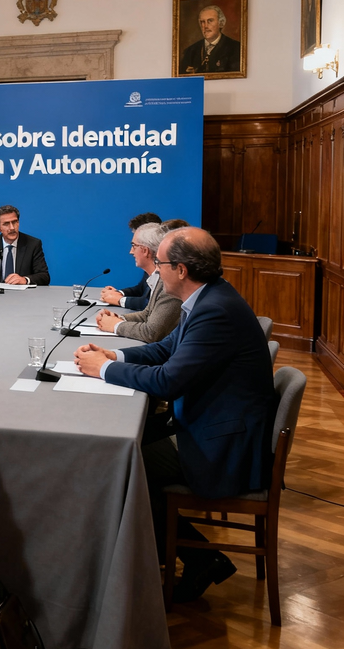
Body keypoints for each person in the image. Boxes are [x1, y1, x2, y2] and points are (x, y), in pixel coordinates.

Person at [74, 227, 277, 603]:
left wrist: (100, 370)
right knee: (128, 447)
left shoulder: (215, 310)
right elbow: (166, 350)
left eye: (162, 264)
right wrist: (111, 356)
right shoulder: (207, 298)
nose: (156, 272)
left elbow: (167, 381)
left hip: (222, 445)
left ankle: (192, 560)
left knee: (120, 464)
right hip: (211, 422)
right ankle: (172, 555)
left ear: (181, 270)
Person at [96, 223, 181, 343]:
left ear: (145, 250)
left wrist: (116, 325)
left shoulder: (170, 282)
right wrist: (118, 318)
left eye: (133, 246)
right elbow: (147, 314)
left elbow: (151, 333)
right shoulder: (158, 277)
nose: (131, 251)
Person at [0, 205, 49, 286]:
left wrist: (24, 280)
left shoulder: (33, 244)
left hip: (24, 296)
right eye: (6, 224)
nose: (12, 228)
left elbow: (44, 276)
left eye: (14, 222)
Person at [100, 211, 161, 309]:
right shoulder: (152, 270)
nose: (131, 251)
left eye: (135, 245)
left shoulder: (165, 273)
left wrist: (119, 300)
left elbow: (149, 305)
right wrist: (118, 294)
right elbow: (141, 289)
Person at [179, 4, 241, 75]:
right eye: (202, 22)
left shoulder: (236, 48)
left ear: (221, 23)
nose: (205, 26)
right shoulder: (190, 51)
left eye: (210, 21)